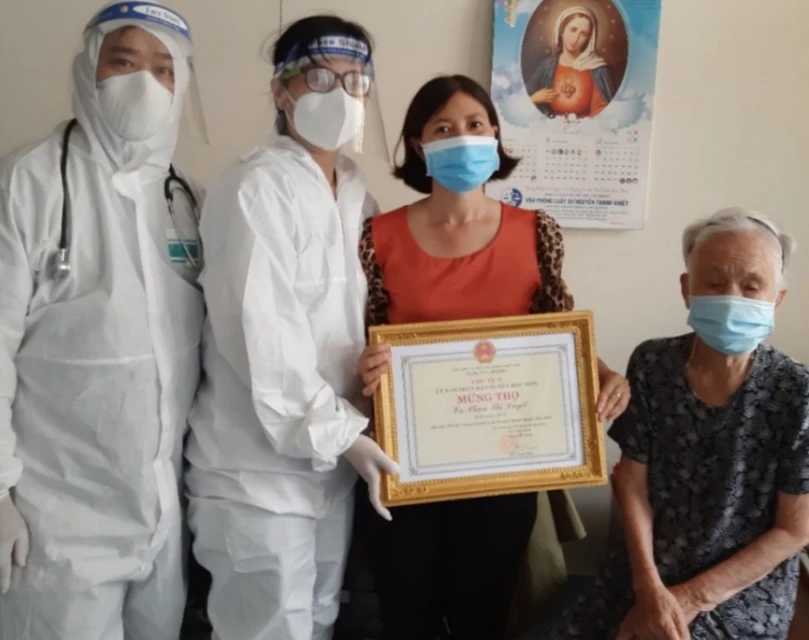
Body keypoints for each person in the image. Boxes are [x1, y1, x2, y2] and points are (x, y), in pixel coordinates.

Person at [355, 74, 631, 640]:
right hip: (405, 460)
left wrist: (605, 375)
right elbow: (359, 337)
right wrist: (363, 364)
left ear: (496, 134)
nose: (462, 136)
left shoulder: (537, 231)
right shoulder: (374, 237)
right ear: (418, 146)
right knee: (405, 612)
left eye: (475, 124)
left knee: (483, 614)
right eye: (443, 128)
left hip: (501, 462)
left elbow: (557, 333)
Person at [185, 15, 397, 640]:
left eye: (355, 80)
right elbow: (263, 340)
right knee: (267, 628)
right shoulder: (254, 187)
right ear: (281, 91)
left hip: (331, 467)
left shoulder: (356, 194)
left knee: (321, 619)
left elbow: (353, 323)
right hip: (256, 476)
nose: (341, 94)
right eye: (319, 78)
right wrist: (343, 434)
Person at [0, 2, 205, 639]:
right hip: (57, 517)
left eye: (163, 68)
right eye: (123, 61)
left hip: (161, 510)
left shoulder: (184, 196)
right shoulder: (28, 181)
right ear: (89, 69)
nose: (144, 81)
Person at [526, 209, 809, 640]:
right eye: (713, 283)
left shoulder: (797, 390)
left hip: (742, 586)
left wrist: (690, 598)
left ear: (778, 298)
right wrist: (648, 588)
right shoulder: (653, 363)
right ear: (686, 289)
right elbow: (631, 482)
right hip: (645, 570)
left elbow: (795, 528)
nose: (732, 297)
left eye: (752, 286)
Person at [526, 5, 615, 118]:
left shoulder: (597, 69)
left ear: (589, 38)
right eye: (573, 30)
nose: (576, 38)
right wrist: (534, 98)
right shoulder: (547, 66)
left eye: (584, 34)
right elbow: (523, 99)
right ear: (562, 30)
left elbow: (601, 109)